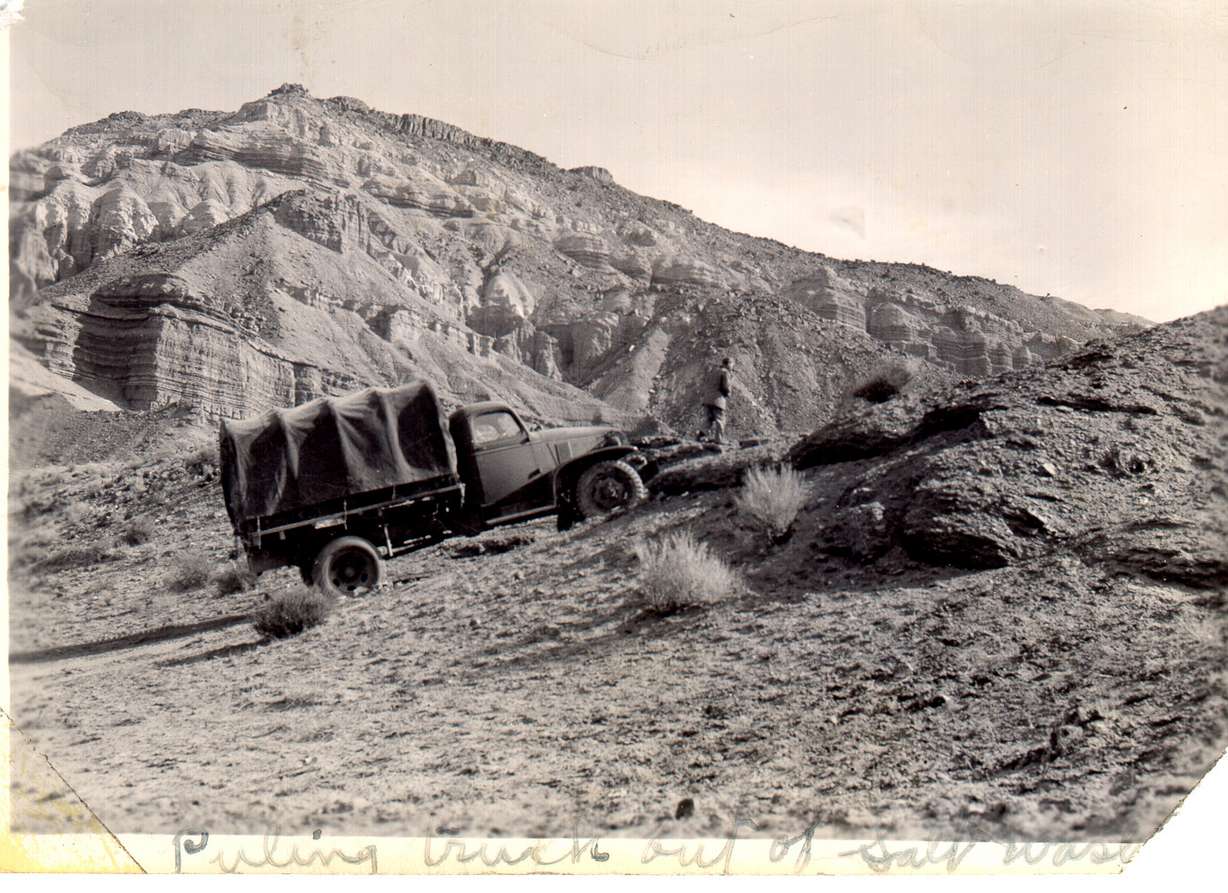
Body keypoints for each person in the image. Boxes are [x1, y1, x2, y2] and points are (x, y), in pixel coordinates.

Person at [702, 357, 734, 444]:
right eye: (732, 364)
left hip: (707, 399)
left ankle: (701, 437)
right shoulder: (725, 372)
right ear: (729, 364)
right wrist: (728, 393)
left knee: (708, 419)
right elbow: (726, 387)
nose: (732, 367)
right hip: (717, 400)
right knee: (720, 420)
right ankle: (719, 439)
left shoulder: (713, 371)